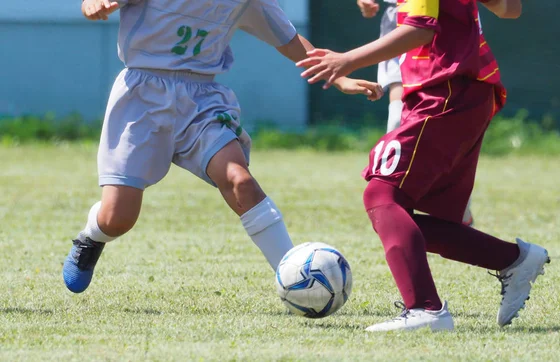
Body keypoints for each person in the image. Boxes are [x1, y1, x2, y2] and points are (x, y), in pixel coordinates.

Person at [63, 0, 383, 294]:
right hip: (141, 98)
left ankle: (296, 278)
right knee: (118, 218)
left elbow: (289, 40)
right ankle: (92, 236)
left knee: (239, 180)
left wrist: (339, 77)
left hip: (201, 100)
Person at [298, 0, 549, 331]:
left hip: (445, 90)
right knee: (402, 216)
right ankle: (512, 259)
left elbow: (419, 28)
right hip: (458, 91)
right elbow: (509, 8)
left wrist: (346, 60)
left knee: (381, 197)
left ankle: (426, 310)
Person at [357, 0, 474, 226]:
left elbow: (509, 9)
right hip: (399, 20)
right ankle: (400, 217)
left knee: (438, 125)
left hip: (444, 19)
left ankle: (455, 205)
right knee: (397, 125)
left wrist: (347, 61)